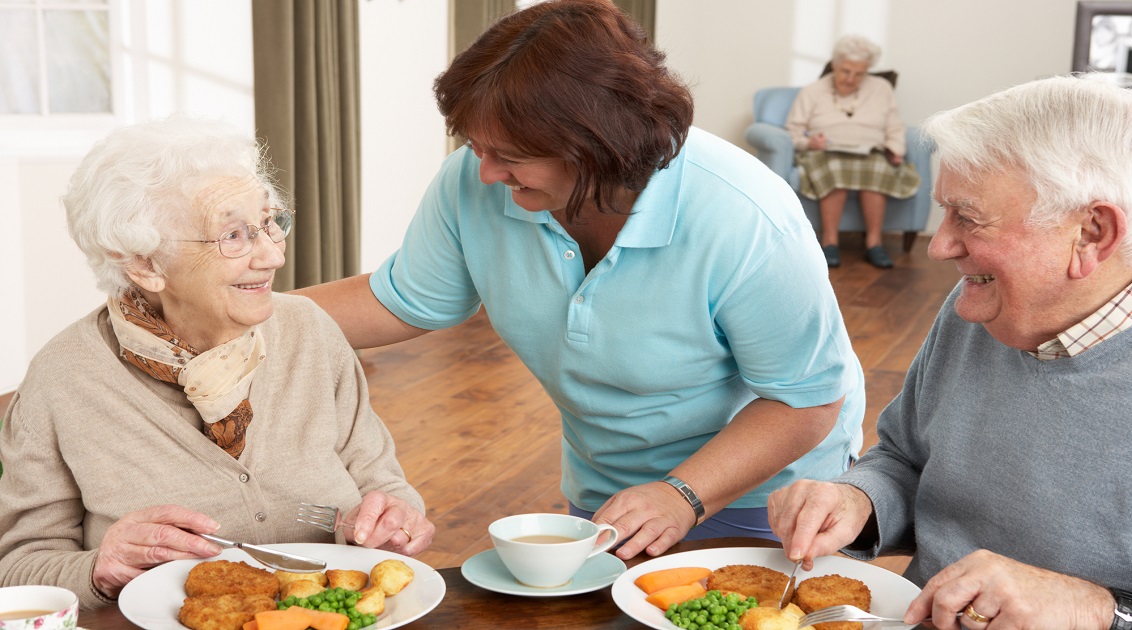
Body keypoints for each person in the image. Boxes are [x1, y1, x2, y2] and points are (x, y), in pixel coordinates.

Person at [298, 0, 865, 561]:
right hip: (610, 491)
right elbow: (402, 300)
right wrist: (237, 312)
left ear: (599, 146)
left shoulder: (744, 215)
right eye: (476, 146)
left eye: (511, 155)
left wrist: (681, 495)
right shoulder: (477, 183)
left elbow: (805, 401)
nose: (488, 172)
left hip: (768, 495)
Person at [768, 75, 1132, 629]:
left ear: (1092, 232)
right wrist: (859, 502)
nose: (939, 245)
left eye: (966, 218)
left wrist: (1097, 613)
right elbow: (905, 457)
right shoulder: (984, 303)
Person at [0, 117, 434, 610]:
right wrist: (98, 568)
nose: (272, 255)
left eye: (270, 223)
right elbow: (18, 568)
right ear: (142, 264)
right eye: (233, 236)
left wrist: (396, 518)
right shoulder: (62, 379)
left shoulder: (308, 331)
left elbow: (382, 483)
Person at [785, 34, 920, 269]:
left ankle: (874, 244)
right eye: (845, 71)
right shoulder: (813, 91)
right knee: (834, 168)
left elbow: (895, 126)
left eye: (859, 74)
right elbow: (793, 131)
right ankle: (829, 243)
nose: (850, 79)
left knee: (878, 168)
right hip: (825, 151)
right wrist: (809, 143)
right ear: (834, 65)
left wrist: (895, 149)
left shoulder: (881, 88)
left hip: (870, 151)